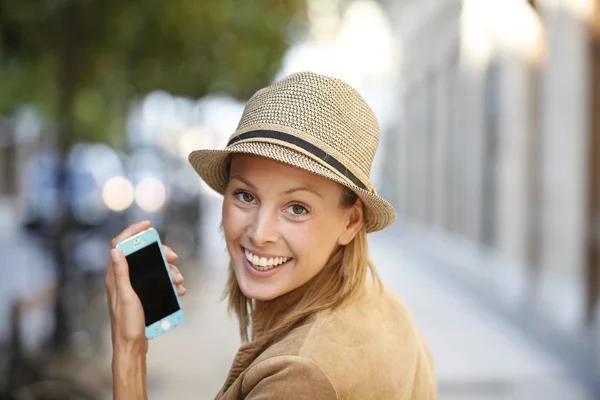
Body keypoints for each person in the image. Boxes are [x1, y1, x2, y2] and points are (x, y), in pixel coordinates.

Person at [105, 71, 438, 399]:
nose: (260, 233)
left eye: (296, 208)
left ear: (351, 222)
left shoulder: (300, 375)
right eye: (246, 196)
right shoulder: (379, 300)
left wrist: (129, 352)